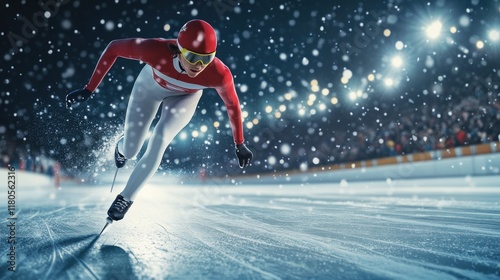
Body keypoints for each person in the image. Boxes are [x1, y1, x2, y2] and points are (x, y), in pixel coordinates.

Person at [66, 19, 253, 222]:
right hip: (149, 88)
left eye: (206, 59)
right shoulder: (155, 50)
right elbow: (114, 48)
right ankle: (122, 148)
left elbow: (233, 105)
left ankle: (126, 197)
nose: (199, 66)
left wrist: (239, 143)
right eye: (192, 57)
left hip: (185, 98)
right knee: (131, 150)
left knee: (159, 139)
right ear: (179, 49)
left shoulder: (220, 73)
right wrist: (89, 88)